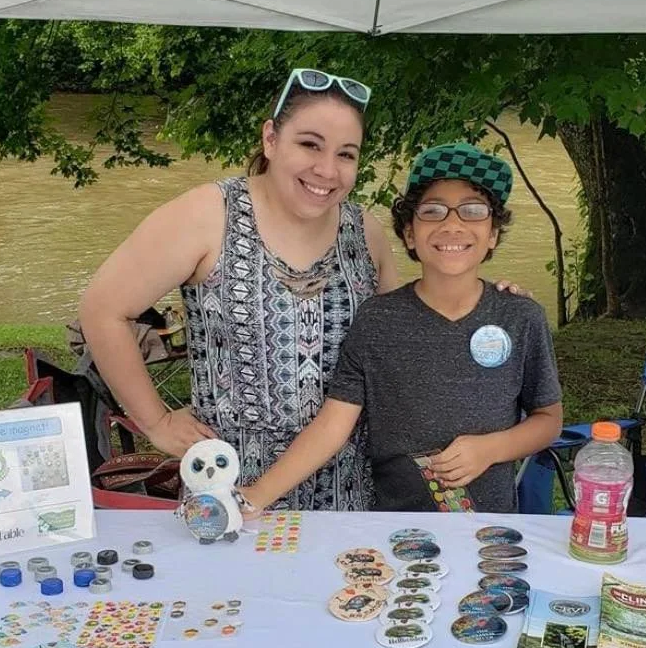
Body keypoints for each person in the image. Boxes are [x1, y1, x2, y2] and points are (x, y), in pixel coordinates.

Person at [78, 68, 524, 511]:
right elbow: (103, 309)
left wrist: (487, 303)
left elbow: (404, 336)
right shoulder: (208, 214)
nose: (326, 169)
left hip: (352, 489)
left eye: (346, 154)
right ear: (271, 139)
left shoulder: (364, 232)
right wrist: (155, 421)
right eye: (310, 144)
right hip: (233, 486)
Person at [238, 142, 564, 514]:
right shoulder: (377, 320)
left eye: (473, 211)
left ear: (492, 234)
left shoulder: (521, 317)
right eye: (433, 211)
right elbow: (332, 426)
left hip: (488, 531)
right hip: (392, 527)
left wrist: (491, 449)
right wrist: (257, 495)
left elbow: (548, 420)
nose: (452, 224)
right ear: (409, 233)